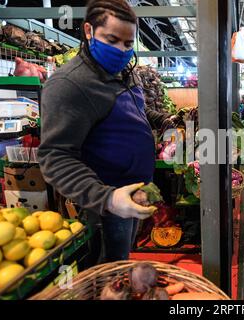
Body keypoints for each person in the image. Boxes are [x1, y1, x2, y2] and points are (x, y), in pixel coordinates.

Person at [38, 0, 178, 262]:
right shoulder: (70, 85)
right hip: (105, 205)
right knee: (107, 271)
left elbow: (135, 111)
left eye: (127, 44)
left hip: (133, 191)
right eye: (112, 39)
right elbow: (55, 156)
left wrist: (163, 120)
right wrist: (108, 199)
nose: (121, 50)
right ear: (89, 31)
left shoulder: (124, 72)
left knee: (122, 259)